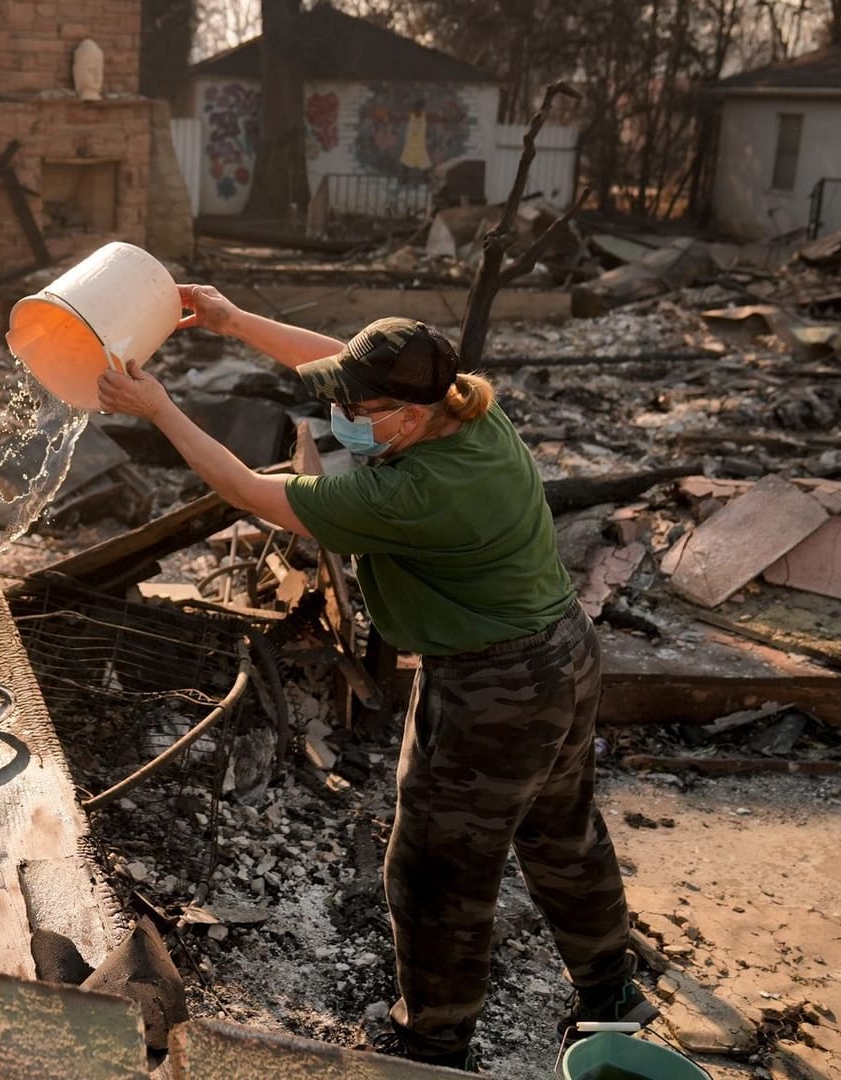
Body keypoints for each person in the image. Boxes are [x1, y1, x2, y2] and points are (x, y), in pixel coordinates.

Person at [95, 285, 656, 1071]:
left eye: (363, 409)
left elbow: (248, 492)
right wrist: (234, 322)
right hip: (561, 652)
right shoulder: (469, 409)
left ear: (409, 414)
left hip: (493, 688)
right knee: (562, 834)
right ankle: (612, 1001)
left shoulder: (411, 492)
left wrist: (159, 408)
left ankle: (433, 1049)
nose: (346, 419)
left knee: (436, 872)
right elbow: (329, 360)